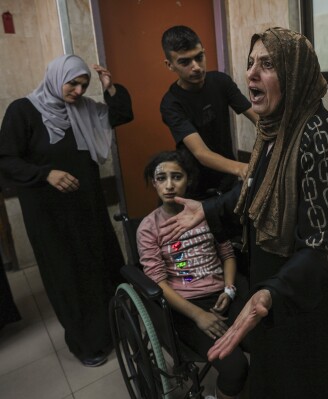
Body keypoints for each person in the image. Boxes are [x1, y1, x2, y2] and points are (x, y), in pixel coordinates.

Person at [160, 27, 328, 398]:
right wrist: (209, 208)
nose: (251, 73)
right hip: (287, 281)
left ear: (295, 74)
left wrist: (271, 293)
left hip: (327, 287)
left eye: (267, 64)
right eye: (250, 64)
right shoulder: (274, 129)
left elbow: (326, 245)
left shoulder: (321, 136)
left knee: (319, 375)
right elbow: (258, 192)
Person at [0, 54, 133, 366]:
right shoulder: (23, 110)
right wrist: (46, 173)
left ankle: (115, 329)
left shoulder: (83, 109)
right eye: (72, 82)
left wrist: (109, 87)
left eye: (83, 85)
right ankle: (87, 343)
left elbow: (122, 115)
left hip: (87, 207)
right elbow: (5, 159)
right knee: (68, 276)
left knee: (100, 265)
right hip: (49, 217)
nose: (77, 90)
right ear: (56, 77)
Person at [137, 150, 248, 399]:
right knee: (236, 368)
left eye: (177, 177)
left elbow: (228, 255)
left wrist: (229, 290)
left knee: (270, 345)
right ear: (153, 182)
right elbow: (158, 281)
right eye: (161, 178)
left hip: (224, 295)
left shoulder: (204, 212)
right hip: (187, 307)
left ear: (188, 180)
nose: (169, 185)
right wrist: (198, 315)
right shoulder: (149, 227)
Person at [160, 25, 259, 200]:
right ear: (170, 65)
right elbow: (202, 154)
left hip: (228, 181)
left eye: (199, 57)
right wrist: (243, 168)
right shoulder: (171, 103)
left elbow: (257, 117)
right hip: (196, 186)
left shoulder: (221, 82)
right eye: (185, 62)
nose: (196, 67)